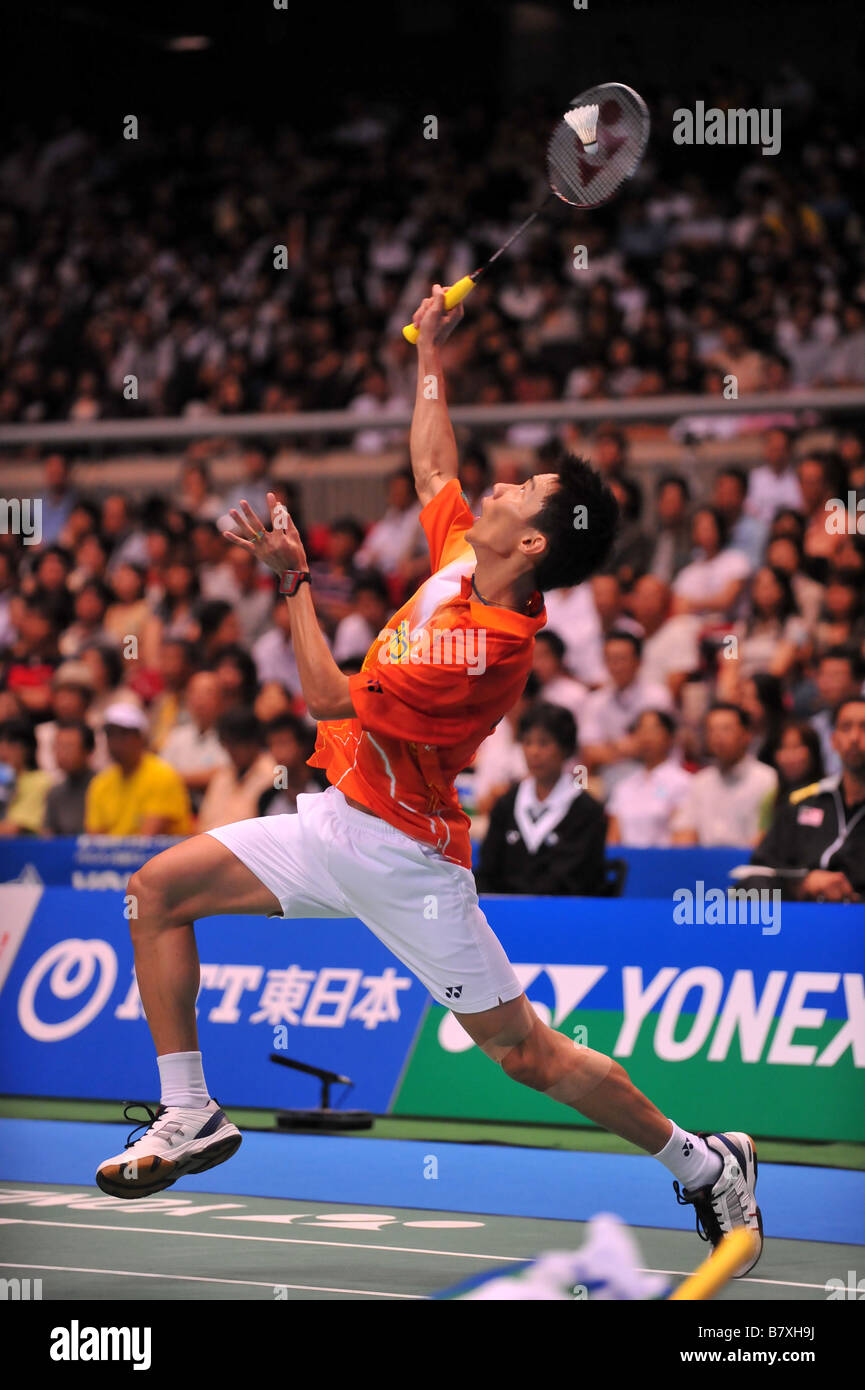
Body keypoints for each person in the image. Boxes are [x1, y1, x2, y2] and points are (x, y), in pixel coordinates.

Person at [95, 284, 762, 1278]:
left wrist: (292, 580)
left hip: (408, 859)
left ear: (531, 541)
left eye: (519, 491)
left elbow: (327, 702)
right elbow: (434, 461)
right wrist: (428, 354)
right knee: (155, 893)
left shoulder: (483, 645)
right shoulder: (466, 550)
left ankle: (704, 1161)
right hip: (334, 821)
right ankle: (189, 1111)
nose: (495, 488)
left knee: (526, 1053)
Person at [476, 704, 606, 896]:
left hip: (563, 917)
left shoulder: (586, 810)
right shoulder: (506, 804)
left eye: (544, 743)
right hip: (504, 915)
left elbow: (579, 879)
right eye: (527, 743)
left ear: (565, 749)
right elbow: (487, 870)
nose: (533, 752)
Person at [753, 697, 865, 901]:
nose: (855, 737)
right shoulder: (802, 803)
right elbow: (754, 876)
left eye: (864, 727)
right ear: (833, 740)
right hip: (800, 923)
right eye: (846, 728)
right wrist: (802, 885)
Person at [671, 703, 778, 847]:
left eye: (726, 729)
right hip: (706, 863)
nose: (718, 737)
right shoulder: (700, 781)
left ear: (746, 735)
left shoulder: (767, 779)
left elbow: (768, 835)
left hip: (750, 863)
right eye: (712, 730)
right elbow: (684, 830)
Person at [85, 703, 191, 836]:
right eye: (110, 734)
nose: (115, 742)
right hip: (113, 855)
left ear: (141, 738)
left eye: (124, 734)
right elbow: (95, 841)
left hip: (159, 855)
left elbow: (146, 840)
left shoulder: (162, 775)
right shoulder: (100, 783)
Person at [607, 710, 692, 847]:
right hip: (627, 864)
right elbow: (613, 839)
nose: (646, 737)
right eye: (641, 730)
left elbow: (684, 838)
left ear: (670, 737)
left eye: (654, 730)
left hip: (664, 862)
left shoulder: (683, 782)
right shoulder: (624, 786)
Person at [196, 710, 275, 832]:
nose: (230, 751)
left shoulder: (275, 772)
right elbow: (203, 824)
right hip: (210, 844)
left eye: (235, 744)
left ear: (254, 742)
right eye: (226, 744)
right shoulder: (222, 775)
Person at [0, 718, 52, 835]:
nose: (3, 751)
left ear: (27, 748)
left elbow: (17, 829)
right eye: (0, 744)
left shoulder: (40, 781)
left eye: (12, 745)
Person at [43, 720, 95, 835]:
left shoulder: (102, 786)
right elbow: (47, 838)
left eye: (68, 747)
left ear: (88, 751)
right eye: (58, 747)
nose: (61, 753)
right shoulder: (55, 793)